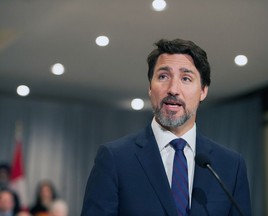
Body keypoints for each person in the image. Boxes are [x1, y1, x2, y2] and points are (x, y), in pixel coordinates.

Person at [81, 39, 251, 216]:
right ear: (149, 87)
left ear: (203, 91)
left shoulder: (231, 165)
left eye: (186, 78)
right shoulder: (114, 158)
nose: (173, 89)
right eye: (163, 76)